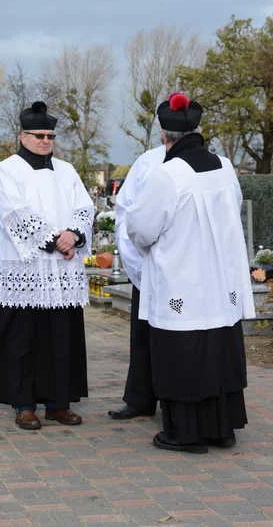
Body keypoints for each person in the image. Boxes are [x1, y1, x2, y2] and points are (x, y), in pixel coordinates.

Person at [125, 93, 255, 453]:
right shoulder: (226, 168)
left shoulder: (168, 174)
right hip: (220, 281)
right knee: (218, 351)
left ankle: (185, 434)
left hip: (181, 278)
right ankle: (221, 429)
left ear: (166, 138)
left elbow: (141, 229)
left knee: (182, 355)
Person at [0, 101, 94, 430]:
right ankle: (24, 403)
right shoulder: (6, 170)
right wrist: (55, 240)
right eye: (38, 135)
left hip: (63, 270)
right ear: (22, 135)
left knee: (62, 338)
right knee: (24, 337)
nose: (45, 141)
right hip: (29, 267)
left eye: (50, 135)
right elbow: (14, 213)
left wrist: (75, 235)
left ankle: (58, 403)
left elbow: (84, 207)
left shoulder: (67, 171)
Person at [108, 143, 165, 421]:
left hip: (187, 272)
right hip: (148, 264)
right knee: (142, 336)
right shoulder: (148, 162)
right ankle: (140, 398)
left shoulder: (210, 161)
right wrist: (137, 266)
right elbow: (126, 212)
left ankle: (176, 398)